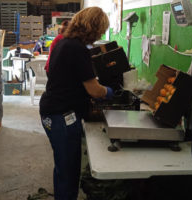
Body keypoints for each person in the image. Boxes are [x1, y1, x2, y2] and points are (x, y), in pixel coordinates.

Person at [39, 7, 113, 200]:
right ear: (93, 28)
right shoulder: (77, 49)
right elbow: (94, 90)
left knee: (64, 168)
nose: (101, 34)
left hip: (52, 111)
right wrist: (108, 92)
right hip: (61, 116)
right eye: (101, 30)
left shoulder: (65, 43)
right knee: (69, 171)